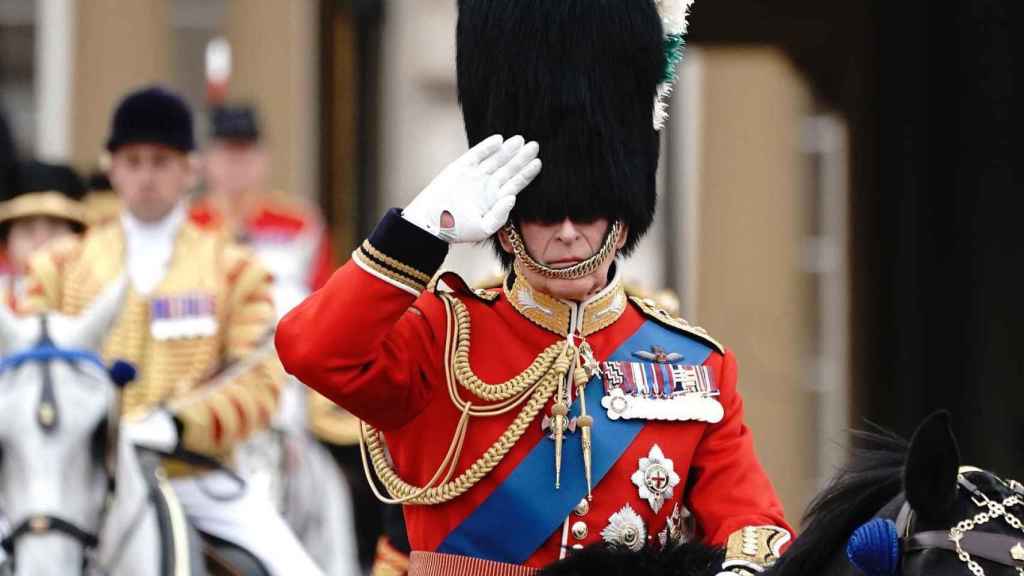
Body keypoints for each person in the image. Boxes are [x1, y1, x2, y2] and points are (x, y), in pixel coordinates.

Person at [275, 1, 792, 575]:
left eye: (588, 210)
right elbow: (311, 349)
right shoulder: (443, 337)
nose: (568, 231)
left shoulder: (696, 366)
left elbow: (754, 526)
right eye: (546, 212)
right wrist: (419, 232)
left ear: (621, 212)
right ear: (512, 216)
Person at [23, 85, 323, 576]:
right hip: (77, 483)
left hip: (196, 476)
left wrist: (178, 425)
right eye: (134, 160)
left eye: (161, 161)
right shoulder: (57, 268)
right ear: (112, 166)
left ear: (189, 169)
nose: (146, 175)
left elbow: (260, 379)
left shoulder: (235, 269)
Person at [194, 103, 360, 575]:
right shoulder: (189, 230)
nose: (236, 167)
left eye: (245, 154)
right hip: (208, 398)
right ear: (207, 160)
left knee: (333, 491)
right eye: (226, 153)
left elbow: (323, 315)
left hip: (288, 401)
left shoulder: (299, 226)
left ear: (262, 159)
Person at [0, 161, 86, 310]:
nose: (42, 241)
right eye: (27, 230)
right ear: (6, 244)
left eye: (55, 227)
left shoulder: (100, 298)